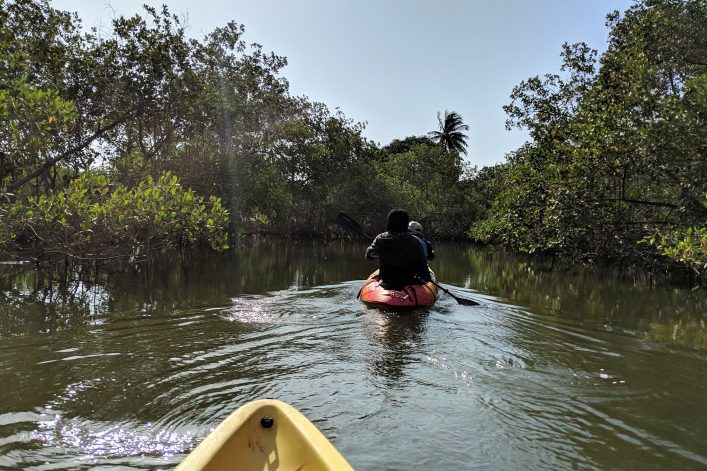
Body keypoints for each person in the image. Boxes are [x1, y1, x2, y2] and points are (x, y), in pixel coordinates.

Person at [365, 209, 431, 290]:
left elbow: (368, 257)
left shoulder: (380, 238)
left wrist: (372, 250)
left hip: (386, 282)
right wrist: (424, 279)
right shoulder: (415, 241)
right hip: (408, 282)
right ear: (406, 224)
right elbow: (424, 271)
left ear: (389, 222)